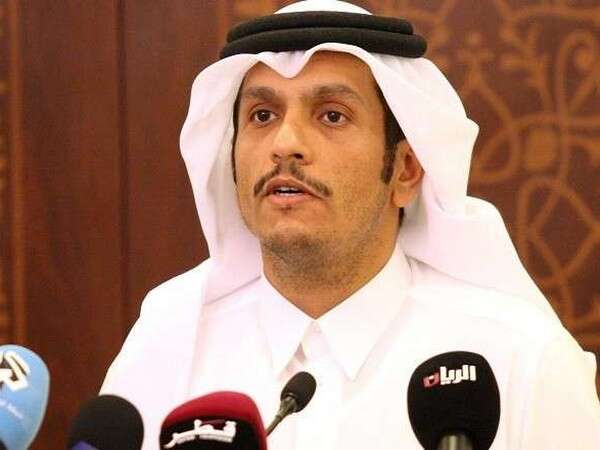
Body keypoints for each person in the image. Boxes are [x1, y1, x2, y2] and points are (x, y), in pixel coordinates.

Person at [101, 1, 600, 448]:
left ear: (405, 171)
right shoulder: (168, 343)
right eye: (262, 115)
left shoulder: (518, 359)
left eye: (332, 116)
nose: (285, 143)